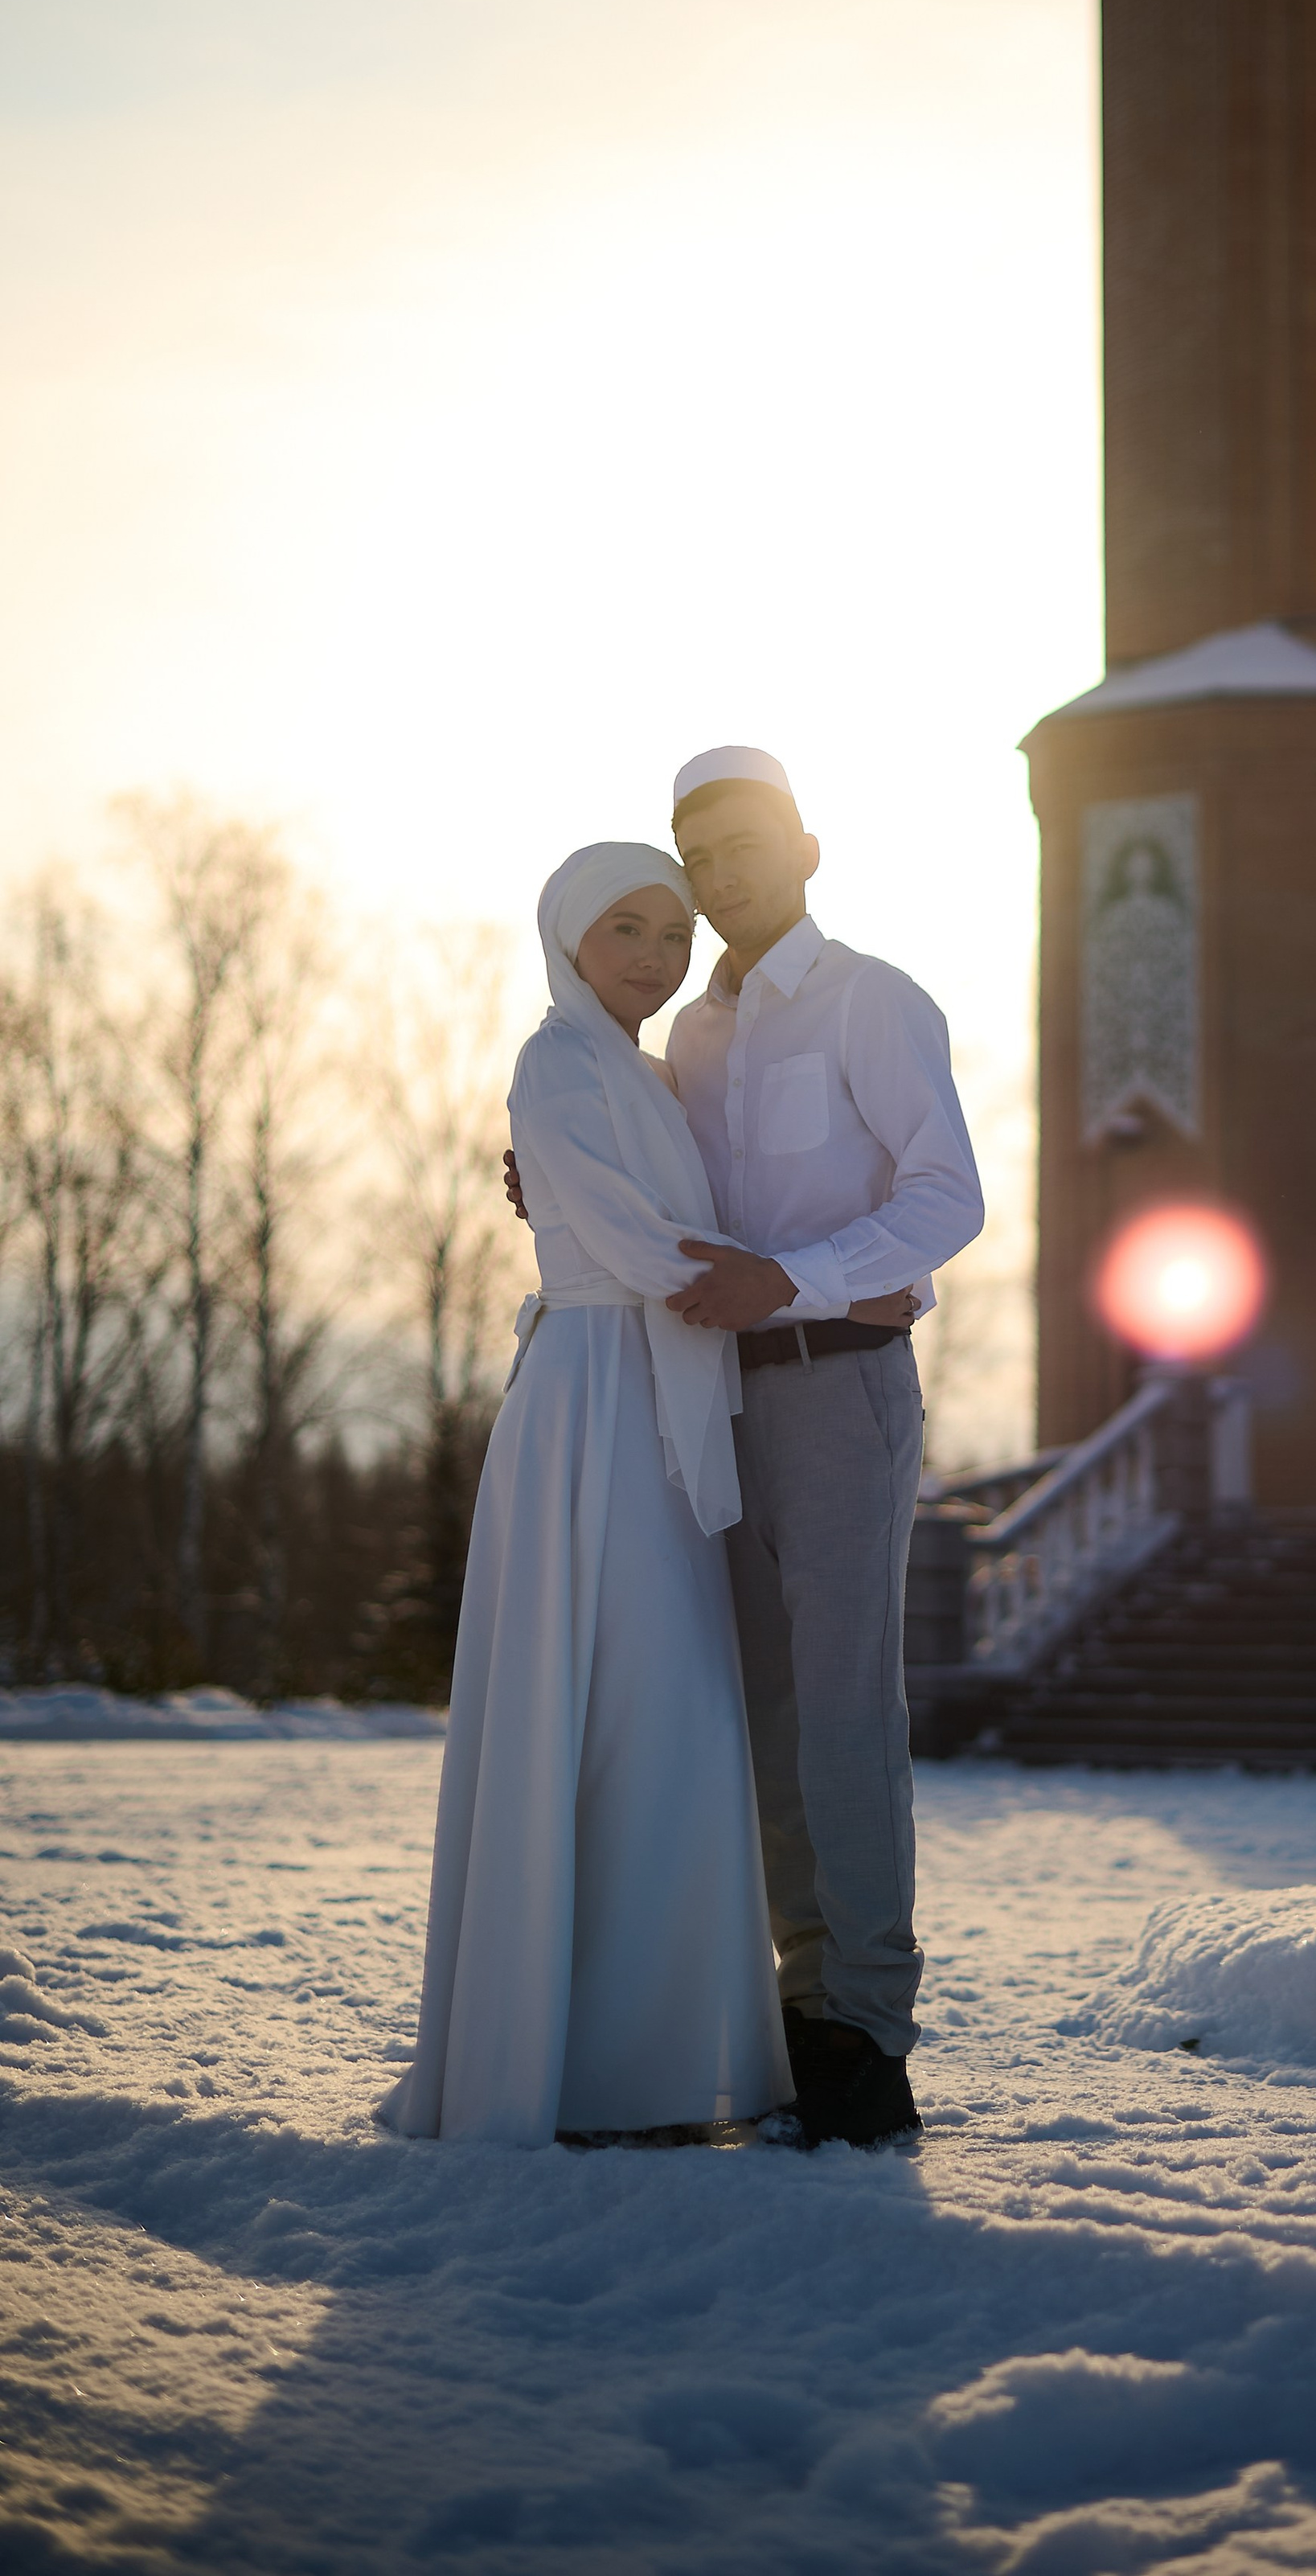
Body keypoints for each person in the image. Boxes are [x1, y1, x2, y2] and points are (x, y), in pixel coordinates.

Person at [504, 749, 983, 2149]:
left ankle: (867, 2034)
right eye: (698, 859)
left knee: (841, 1711)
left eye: (746, 847)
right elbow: (659, 1191)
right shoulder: (691, 1042)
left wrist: (802, 1281)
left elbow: (947, 1198)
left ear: (808, 850)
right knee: (759, 1713)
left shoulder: (872, 1001)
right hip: (705, 1396)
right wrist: (562, 1182)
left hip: (839, 1391)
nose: (722, 878)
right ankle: (801, 2001)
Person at [381, 844, 789, 2149]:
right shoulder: (554, 1059)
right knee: (596, 1700)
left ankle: (657, 2065)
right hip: (594, 1401)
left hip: (664, 1396)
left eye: (675, 934)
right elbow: (628, 1239)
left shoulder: (653, 1078)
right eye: (628, 929)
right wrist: (803, 1280)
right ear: (569, 935)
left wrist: (779, 1266)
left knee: (667, 1712)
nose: (657, 957)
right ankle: (567, 2070)